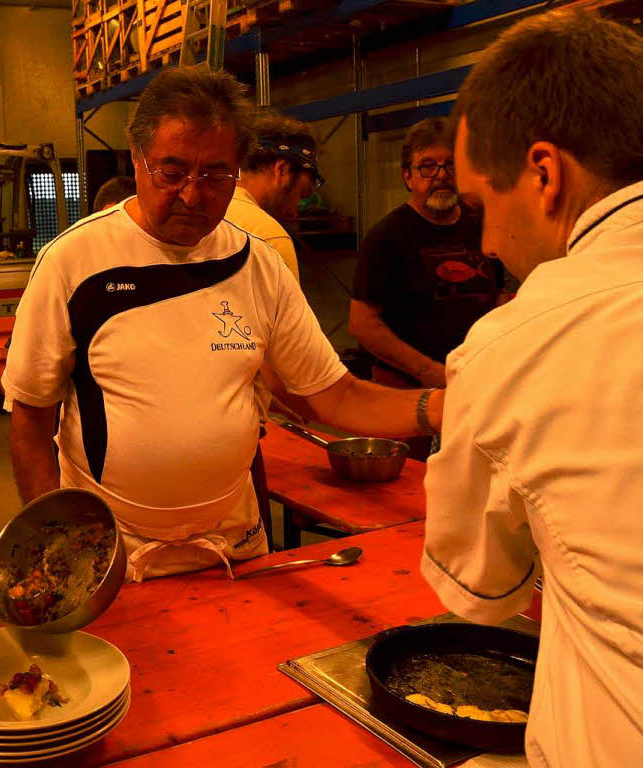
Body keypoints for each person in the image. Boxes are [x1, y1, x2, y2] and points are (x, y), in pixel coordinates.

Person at [4, 66, 442, 582]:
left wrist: (438, 405)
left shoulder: (256, 264)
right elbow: (31, 418)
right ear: (137, 159)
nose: (192, 195)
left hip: (233, 545)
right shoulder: (74, 262)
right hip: (114, 555)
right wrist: (62, 545)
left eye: (215, 175)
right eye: (171, 172)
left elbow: (336, 395)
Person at [421, 10, 643, 766]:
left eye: (482, 206)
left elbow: (482, 589)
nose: (483, 243)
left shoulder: (519, 339)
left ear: (545, 174)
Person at [349, 118, 503, 389]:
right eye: (427, 167)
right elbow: (362, 324)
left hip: (476, 377)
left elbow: (500, 296)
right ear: (407, 176)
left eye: (450, 164)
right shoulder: (386, 237)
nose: (441, 175)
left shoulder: (482, 225)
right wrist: (428, 370)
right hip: (408, 389)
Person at [225, 112, 324, 284]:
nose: (295, 212)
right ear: (282, 169)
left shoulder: (205, 213)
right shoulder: (269, 237)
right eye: (302, 193)